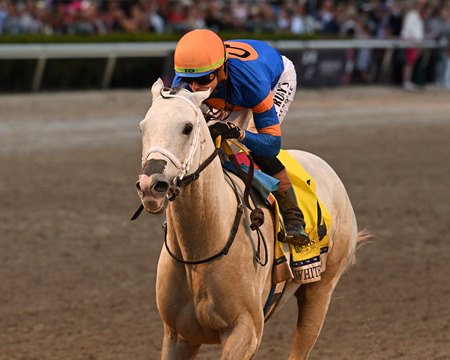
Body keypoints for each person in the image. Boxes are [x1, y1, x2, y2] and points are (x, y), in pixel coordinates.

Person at [171, 29, 310, 246]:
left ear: (221, 70)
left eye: (202, 80)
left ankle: (294, 218)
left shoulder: (252, 83)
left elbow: (272, 145)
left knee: (256, 149)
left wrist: (240, 134)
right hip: (230, 89)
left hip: (272, 82)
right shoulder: (187, 78)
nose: (195, 88)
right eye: (190, 81)